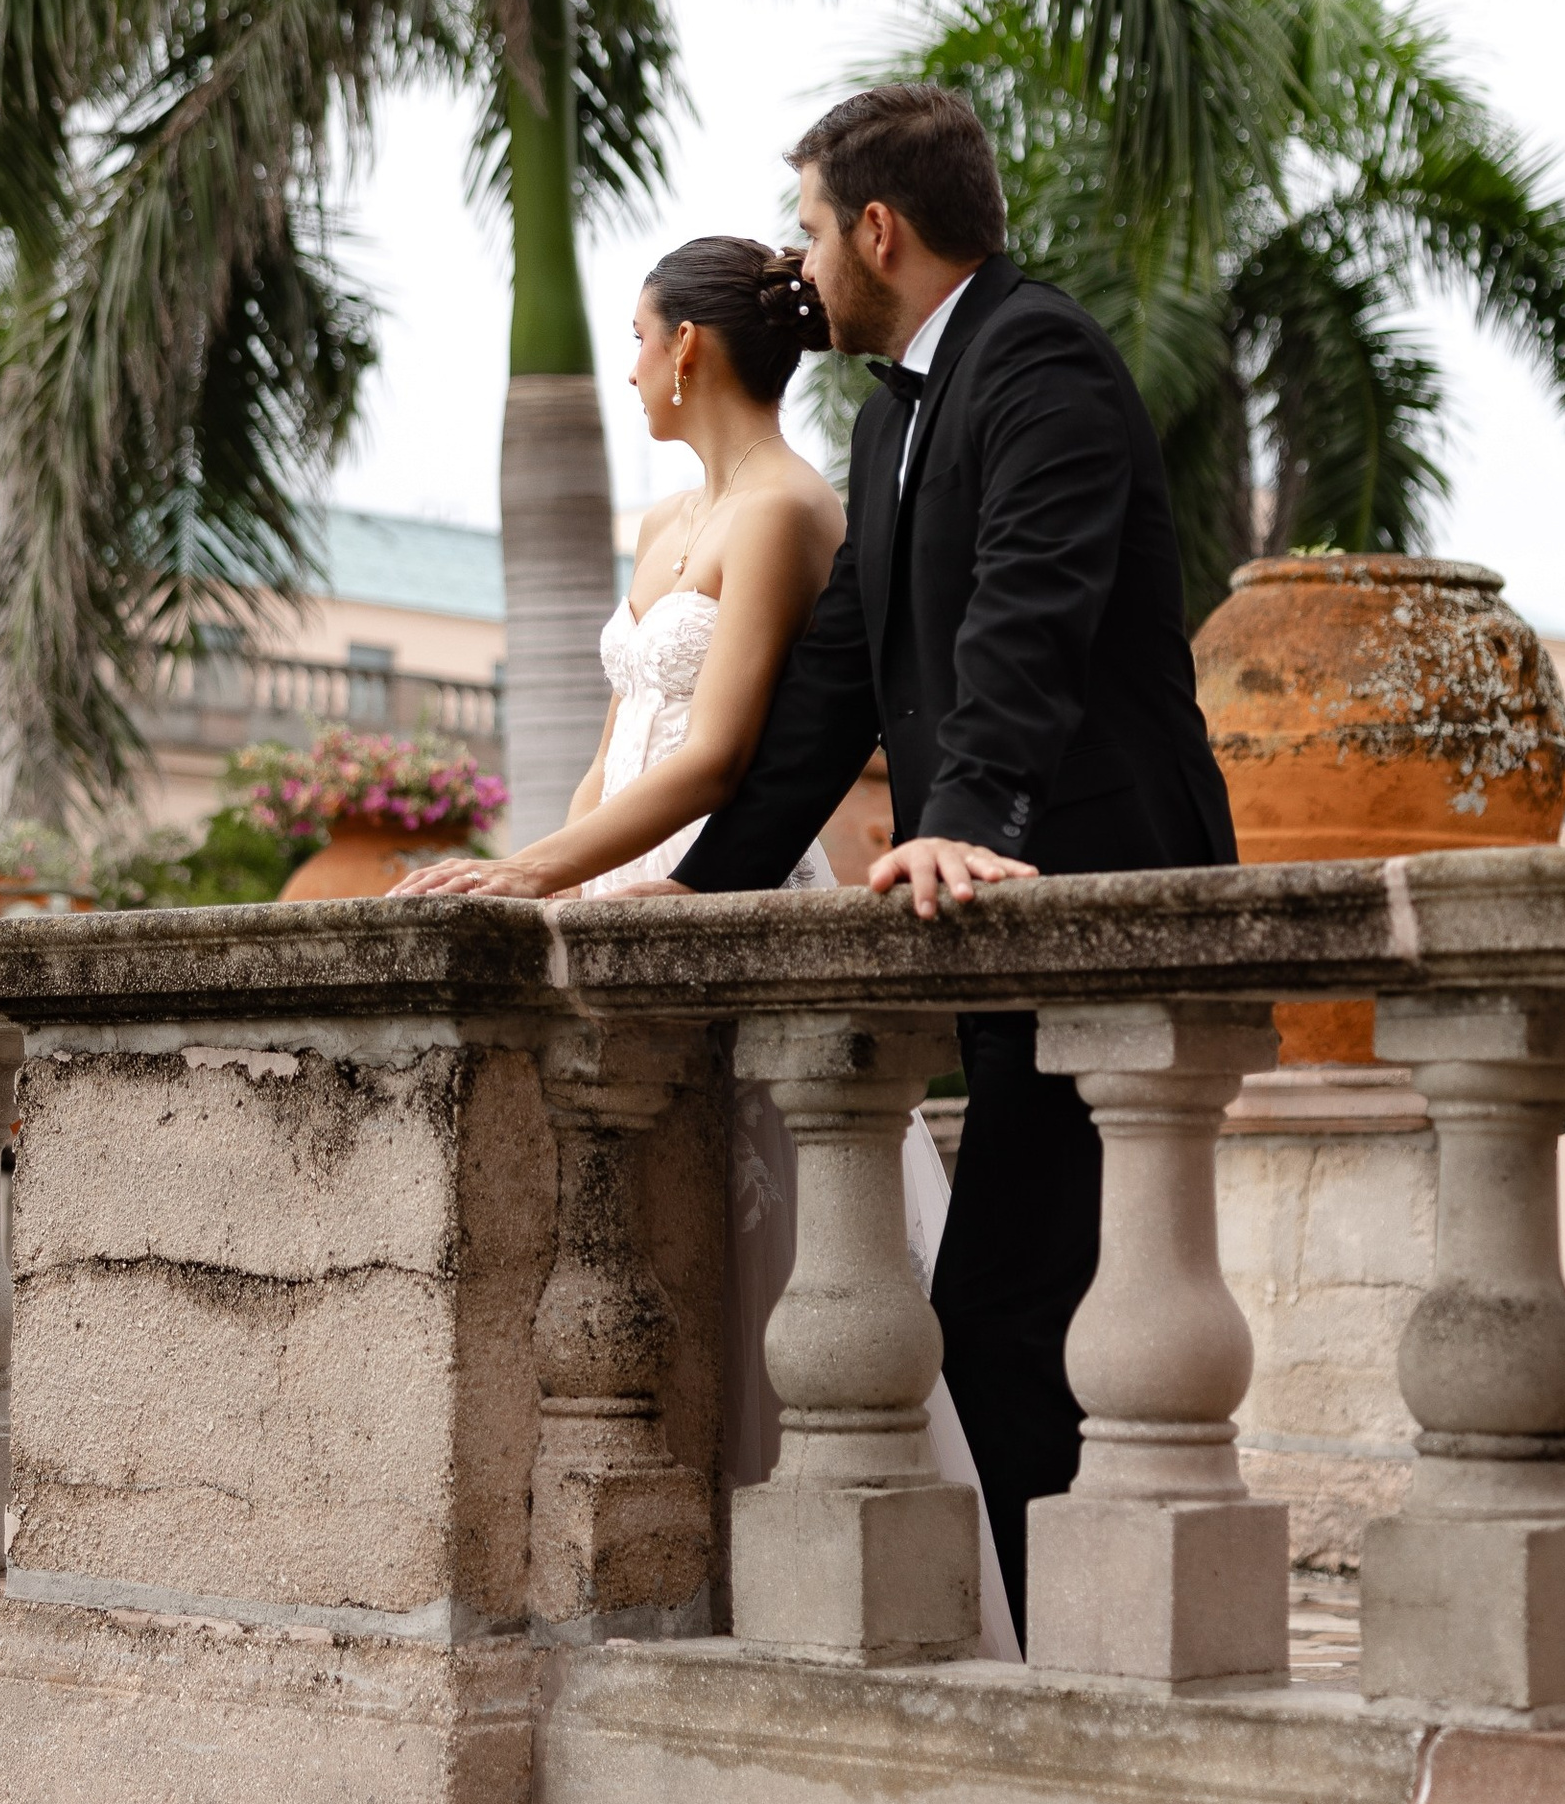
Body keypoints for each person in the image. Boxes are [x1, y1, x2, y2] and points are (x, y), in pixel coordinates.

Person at [393, 230, 1021, 1659]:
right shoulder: (663, 523)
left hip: (714, 886)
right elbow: (619, 745)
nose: (627, 365)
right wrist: (542, 884)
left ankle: (802, 1604)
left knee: (760, 1257)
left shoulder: (790, 509)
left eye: (636, 336)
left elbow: (721, 754)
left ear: (687, 347)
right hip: (614, 879)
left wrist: (546, 873)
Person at [664, 85, 1239, 1641]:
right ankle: (1079, 1660)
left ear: (877, 228)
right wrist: (702, 889)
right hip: (993, 922)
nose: (798, 265)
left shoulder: (1041, 357)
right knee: (1026, 1317)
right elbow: (832, 690)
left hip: (1099, 901)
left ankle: (1088, 1665)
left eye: (807, 228)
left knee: (1008, 1313)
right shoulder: (892, 412)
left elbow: (1029, 618)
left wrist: (968, 814)